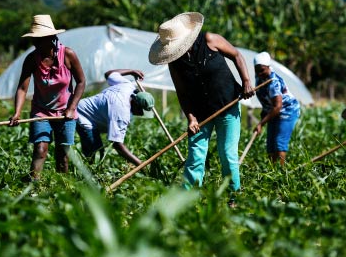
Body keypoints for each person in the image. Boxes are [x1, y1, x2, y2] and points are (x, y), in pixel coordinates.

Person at [148, 12, 254, 207]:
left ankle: (234, 197)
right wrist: (190, 118)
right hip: (199, 114)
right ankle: (187, 200)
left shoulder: (210, 40)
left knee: (228, 154)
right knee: (196, 157)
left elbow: (236, 55)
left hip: (227, 105)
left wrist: (246, 81)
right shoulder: (174, 62)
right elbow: (182, 92)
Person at [8, 14, 86, 181]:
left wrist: (71, 108)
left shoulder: (68, 55)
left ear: (51, 37)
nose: (35, 43)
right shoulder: (31, 59)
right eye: (34, 39)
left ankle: (60, 190)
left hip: (65, 113)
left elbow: (81, 82)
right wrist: (17, 113)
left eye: (39, 39)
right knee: (40, 150)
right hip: (41, 111)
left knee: (62, 155)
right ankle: (33, 187)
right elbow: (22, 88)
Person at [75, 69, 155, 166]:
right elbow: (116, 144)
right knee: (95, 155)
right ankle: (87, 177)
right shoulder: (121, 112)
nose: (141, 115)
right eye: (141, 112)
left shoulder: (128, 86)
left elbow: (109, 74)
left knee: (97, 154)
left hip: (87, 108)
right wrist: (141, 164)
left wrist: (131, 71)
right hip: (84, 116)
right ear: (136, 104)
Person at [253, 52, 301, 167]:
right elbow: (267, 103)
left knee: (279, 144)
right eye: (257, 70)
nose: (259, 73)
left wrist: (261, 123)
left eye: (262, 70)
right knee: (270, 146)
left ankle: (279, 174)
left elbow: (277, 106)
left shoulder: (273, 83)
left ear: (268, 67)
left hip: (287, 111)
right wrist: (263, 117)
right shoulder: (259, 79)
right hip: (273, 112)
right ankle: (271, 171)